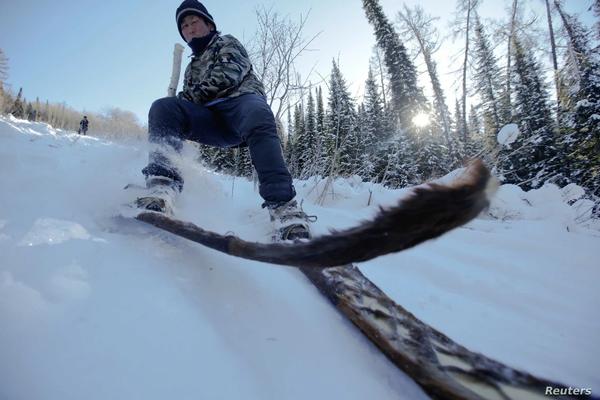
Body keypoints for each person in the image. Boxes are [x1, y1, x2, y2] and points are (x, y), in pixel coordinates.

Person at [137, 0, 311, 239]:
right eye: (184, 26)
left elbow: (227, 76)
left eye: (194, 22)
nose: (189, 29)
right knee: (163, 108)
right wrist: (177, 105)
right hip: (210, 120)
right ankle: (162, 186)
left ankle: (284, 207)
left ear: (208, 24)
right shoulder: (191, 68)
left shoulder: (226, 43)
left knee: (258, 112)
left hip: (240, 106)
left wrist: (187, 97)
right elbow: (187, 103)